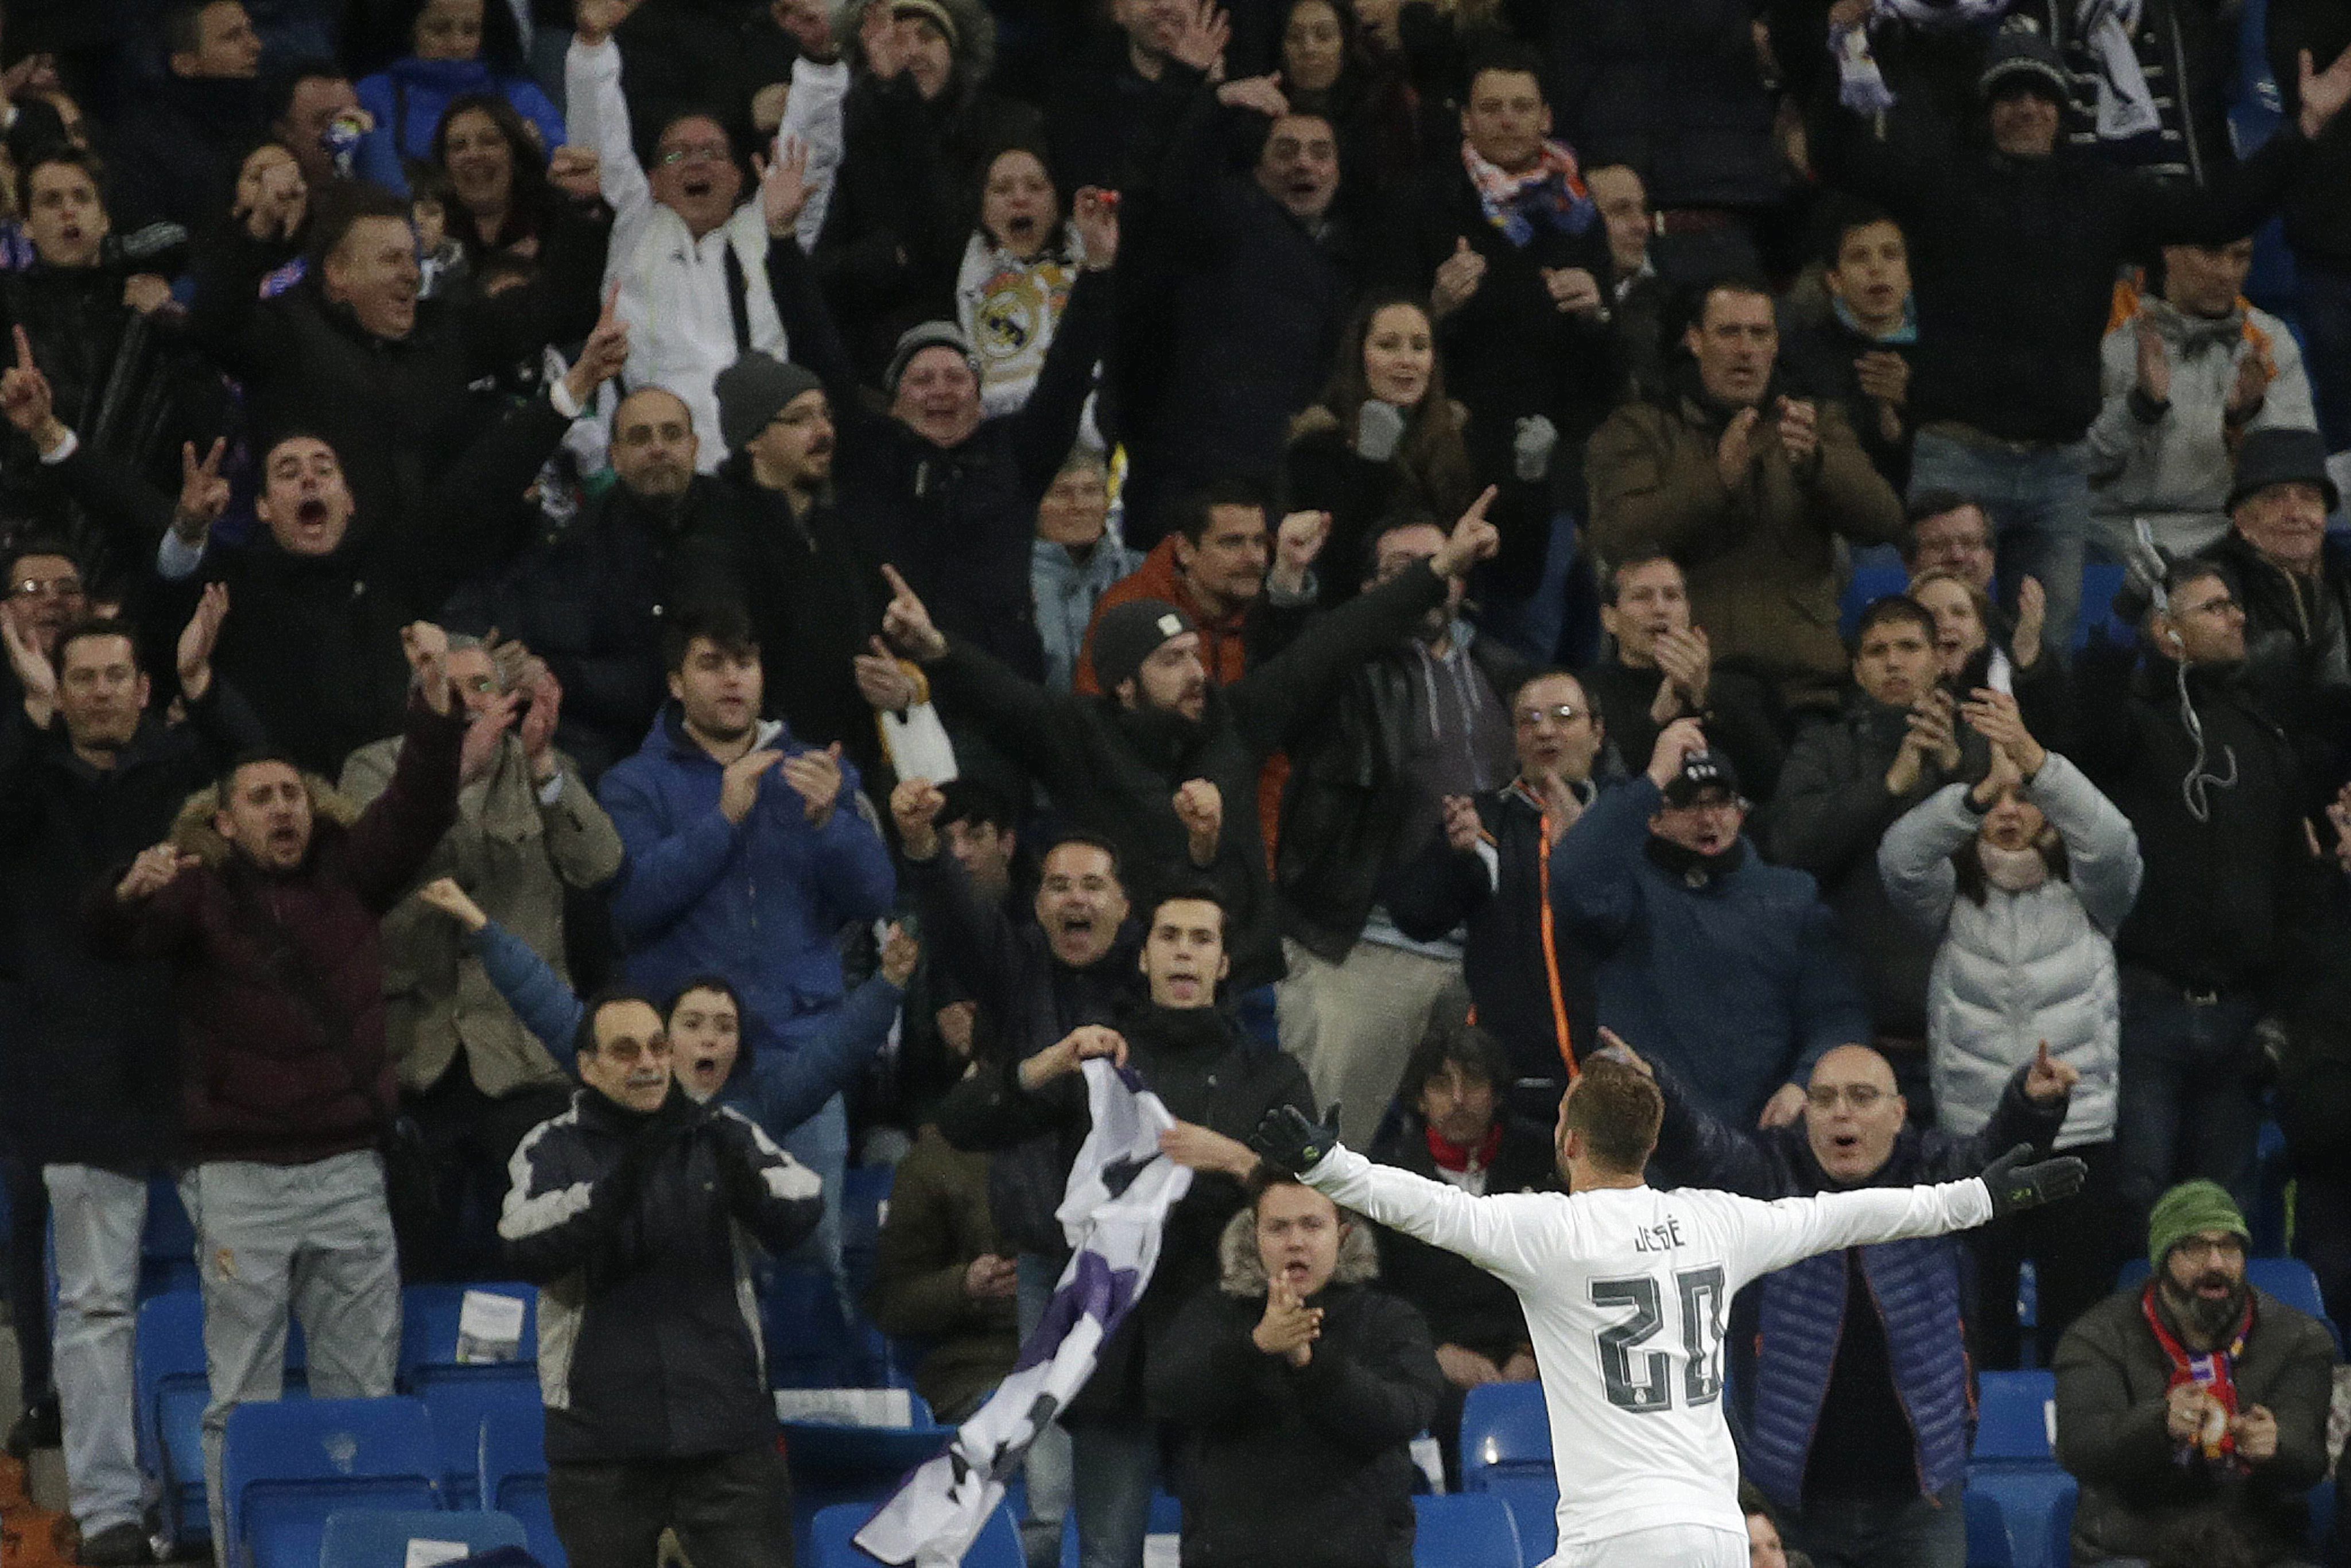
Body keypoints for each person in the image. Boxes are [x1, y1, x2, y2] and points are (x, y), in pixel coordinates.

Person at [1248, 1055, 2087, 1568]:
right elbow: (1854, 1214)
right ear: (1649, 1146)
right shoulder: (1717, 1222)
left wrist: (1332, 1167)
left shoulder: (1550, 1231)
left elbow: (1429, 1208)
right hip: (1716, 1536)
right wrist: (1975, 1196)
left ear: (1568, 1139)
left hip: (1617, 1540)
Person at [83, 624, 465, 1561]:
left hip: (346, 1172)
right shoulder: (195, 892)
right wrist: (124, 894)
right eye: (261, 797)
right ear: (224, 820)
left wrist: (432, 709)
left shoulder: (353, 874)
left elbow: (418, 805)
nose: (283, 809)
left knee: (361, 1398)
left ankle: (361, 1551)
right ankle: (243, 1553)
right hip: (241, 1183)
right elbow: (112, 940)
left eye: (293, 792)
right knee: (240, 1403)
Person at [1811, 15, 2351, 659]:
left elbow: (2219, 213)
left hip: (2057, 471)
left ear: (2063, 109)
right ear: (1987, 107)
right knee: (1940, 642)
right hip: (1958, 457)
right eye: (2010, 94)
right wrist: (1830, 47)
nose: (2026, 108)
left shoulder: (2102, 195)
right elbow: (1839, 157)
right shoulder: (1940, 182)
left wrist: (2305, 129)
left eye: (2041, 94)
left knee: (2049, 656)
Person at [885, 489, 1503, 997]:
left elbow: (1336, 640)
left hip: (1244, 983)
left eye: (1193, 654)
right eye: (1171, 661)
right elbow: (999, 696)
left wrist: (1441, 569)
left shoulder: (1236, 718)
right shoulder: (1077, 734)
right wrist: (932, 647)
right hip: (1132, 990)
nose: (1195, 673)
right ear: (1124, 683)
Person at [933, 886, 1316, 1568]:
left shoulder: (1272, 1073)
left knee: (1235, 1552)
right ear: (1143, 956)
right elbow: (962, 1122)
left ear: (1224, 963)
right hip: (1116, 1347)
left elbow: (1311, 1202)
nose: (1184, 952)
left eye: (1201, 939)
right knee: (1109, 1555)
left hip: (1228, 1339)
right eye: (1169, 936)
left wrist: (1231, 1158)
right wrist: (1051, 1061)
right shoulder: (1101, 1061)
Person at [0, 601, 259, 1566]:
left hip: (200, 1064)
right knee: (96, 1304)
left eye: (119, 675)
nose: (103, 691)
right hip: (70, 1072)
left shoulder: (179, 773)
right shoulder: (29, 781)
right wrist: (24, 722)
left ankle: (227, 1499)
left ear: (141, 687)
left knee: (240, 1290)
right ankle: (109, 1511)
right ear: (55, 692)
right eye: (82, 679)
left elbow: (267, 777)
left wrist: (205, 684)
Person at [1635, 1034, 2073, 1568]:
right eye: (1823, 1099)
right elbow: (1702, 1154)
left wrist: (2033, 1106)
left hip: (1920, 1502)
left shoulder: (1934, 1169)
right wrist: (1657, 1094)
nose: (1841, 1112)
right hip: (1787, 1501)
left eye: (1863, 1097)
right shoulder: (1770, 1175)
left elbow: (1991, 1163)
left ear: (1898, 1114)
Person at [597, 601, 897, 1291]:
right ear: (675, 682)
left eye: (745, 662)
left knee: (811, 1257)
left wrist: (831, 824)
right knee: (684, 1262)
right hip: (686, 1066)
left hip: (802, 1056)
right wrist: (725, 818)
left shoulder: (814, 771)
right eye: (711, 664)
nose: (733, 679)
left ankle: (810, 1399)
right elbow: (633, 906)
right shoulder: (632, 784)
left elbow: (876, 897)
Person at [500, 990, 825, 1568]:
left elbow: (801, 1205)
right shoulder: (552, 1144)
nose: (648, 1062)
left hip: (730, 1442)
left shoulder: (723, 1130)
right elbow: (523, 1243)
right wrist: (622, 1180)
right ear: (588, 1066)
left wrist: (735, 1168)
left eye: (656, 1045)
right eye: (625, 1051)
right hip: (602, 1452)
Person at [340, 636, 624, 1279]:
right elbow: (366, 875)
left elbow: (601, 865)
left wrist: (547, 762)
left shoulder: (537, 768)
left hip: (523, 1058)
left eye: (483, 686)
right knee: (411, 1268)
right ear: (420, 699)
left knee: (547, 1259)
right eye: (452, 687)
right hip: (418, 1055)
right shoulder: (373, 768)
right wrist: (446, 775)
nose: (470, 701)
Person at [1879, 690, 2141, 1364]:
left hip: (2079, 1136)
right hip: (1977, 1140)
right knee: (1980, 1317)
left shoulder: (2091, 893)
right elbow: (1899, 858)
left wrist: (2035, 761)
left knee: (2077, 1324)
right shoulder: (1949, 895)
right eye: (1996, 802)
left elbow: (2113, 841)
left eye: (2023, 798)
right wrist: (1971, 793)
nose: (2008, 811)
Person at [2070, 559, 2318, 1218]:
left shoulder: (2267, 742)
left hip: (2239, 1014)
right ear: (2168, 632)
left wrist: (2280, 1012)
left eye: (2234, 604)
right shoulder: (2133, 725)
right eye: (2213, 607)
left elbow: (2293, 887)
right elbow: (2084, 725)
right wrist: (2121, 618)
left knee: (2222, 1214)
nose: (2237, 617)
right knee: (2133, 1198)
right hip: (2146, 1003)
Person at [1273, 518, 1526, 1144]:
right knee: (1323, 1166)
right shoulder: (1342, 668)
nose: (1423, 578)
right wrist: (1288, 580)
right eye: (1400, 568)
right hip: (1360, 953)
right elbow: (1282, 671)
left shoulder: (1503, 670)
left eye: (1436, 562)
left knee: (1482, 1180)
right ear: (1368, 589)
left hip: (1484, 959)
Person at [187, 178, 608, 540]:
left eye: (411, 257)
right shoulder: (285, 336)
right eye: (391, 259)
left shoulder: (442, 332)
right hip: (313, 581)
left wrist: (582, 208)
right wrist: (256, 229)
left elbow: (557, 310)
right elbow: (215, 326)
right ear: (338, 272)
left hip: (424, 582)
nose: (411, 273)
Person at [1587, 277, 1907, 716]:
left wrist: (1817, 466)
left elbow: (1885, 521)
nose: (1745, 349)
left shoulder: (1815, 423)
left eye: (1759, 334)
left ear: (1776, 344)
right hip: (1694, 683)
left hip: (1809, 683)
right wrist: (1717, 480)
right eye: (1729, 332)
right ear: (1695, 340)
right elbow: (1618, 535)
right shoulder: (1640, 429)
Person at [1554, 720, 1869, 1130]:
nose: (1708, 818)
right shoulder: (1625, 896)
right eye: (1688, 803)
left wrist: (1803, 1083)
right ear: (1655, 819)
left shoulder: (1791, 897)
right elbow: (1568, 877)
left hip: (1757, 1144)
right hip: (1650, 1146)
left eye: (1720, 802)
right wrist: (1652, 780)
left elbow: (1838, 1015)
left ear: (1740, 812)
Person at [445, 385, 744, 781]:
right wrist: (527, 670)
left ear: (694, 446)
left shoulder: (743, 525)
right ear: (615, 458)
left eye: (671, 434)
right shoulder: (584, 542)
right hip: (633, 749)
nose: (658, 449)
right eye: (640, 437)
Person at [1147, 1171, 1444, 1568]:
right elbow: (1166, 1393)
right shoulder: (1214, 1313)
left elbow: (1403, 1414)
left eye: (1312, 1225)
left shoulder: (1388, 1319)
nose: (1295, 1242)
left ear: (1342, 1234)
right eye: (1278, 1228)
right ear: (1255, 1238)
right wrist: (1258, 1347)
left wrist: (1310, 1362)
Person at [1765, 596, 1985, 1112]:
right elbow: (1792, 850)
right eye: (1877, 650)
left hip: (1965, 1034)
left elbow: (2013, 859)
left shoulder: (1978, 747)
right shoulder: (1822, 748)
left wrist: (1955, 772)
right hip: (1849, 1030)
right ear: (1857, 670)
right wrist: (1886, 787)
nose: (1894, 661)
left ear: (1938, 659)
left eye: (1909, 647)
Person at [2054, 1181, 2336, 1566]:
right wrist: (2158, 1424)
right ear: (2163, 1259)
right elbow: (2081, 1449)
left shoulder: (2300, 1340)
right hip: (2135, 1548)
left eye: (2230, 1248)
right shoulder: (2097, 1338)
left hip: (2260, 1550)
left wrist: (2277, 1446)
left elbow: (2309, 1462)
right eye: (2196, 1248)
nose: (2216, 1264)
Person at [1380, 667, 1603, 1126]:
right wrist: (1452, 856)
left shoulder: (1626, 818)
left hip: (1613, 1075)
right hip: (1511, 1085)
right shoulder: (1480, 822)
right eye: (1529, 720)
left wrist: (1588, 853)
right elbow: (1416, 917)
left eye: (1563, 716)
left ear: (1597, 733)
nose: (1545, 730)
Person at [1365, 1018, 1551, 1488]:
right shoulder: (1388, 1178)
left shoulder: (1543, 1162)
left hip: (1539, 1357)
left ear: (1498, 1093)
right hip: (1432, 1361)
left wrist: (1532, 1351)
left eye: (1473, 1082)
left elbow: (1567, 1271)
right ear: (1420, 1099)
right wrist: (1434, 1353)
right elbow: (1374, 1293)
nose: (1460, 1098)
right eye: (1442, 1084)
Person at [1282, 293, 1522, 606]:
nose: (1407, 360)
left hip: (1446, 623)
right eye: (1388, 345)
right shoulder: (1316, 448)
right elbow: (1332, 569)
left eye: (1420, 347)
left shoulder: (1458, 441)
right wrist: (1371, 465)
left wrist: (1526, 491)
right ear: (1359, 357)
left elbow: (1518, 579)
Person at [2091, 239, 2319, 563]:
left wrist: (2244, 420)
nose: (2227, 273)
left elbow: (2293, 486)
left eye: (2240, 258)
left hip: (2224, 544)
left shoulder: (2268, 341)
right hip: (2101, 538)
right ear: (2170, 251)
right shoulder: (2101, 328)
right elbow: (2069, 471)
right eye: (2211, 254)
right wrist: (2139, 410)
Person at [2197, 426, 2351, 802]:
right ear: (2242, 520)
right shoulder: (2210, 584)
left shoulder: (2344, 576)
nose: (2296, 513)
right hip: (2248, 782)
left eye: (2309, 498)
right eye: (2275, 498)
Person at [1072, 480, 1321, 700]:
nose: (1254, 558)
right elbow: (1098, 718)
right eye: (1232, 543)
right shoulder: (1131, 608)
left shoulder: (1272, 609)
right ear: (1185, 550)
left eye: (1259, 542)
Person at [1582, 551, 1786, 802]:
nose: (1659, 609)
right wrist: (1656, 721)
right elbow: (1606, 788)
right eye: (1642, 597)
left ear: (1688, 611)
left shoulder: (1740, 682)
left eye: (1672, 596)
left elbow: (1770, 783)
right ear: (1609, 618)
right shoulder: (1588, 693)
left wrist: (1705, 698)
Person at [864, 1112, 1019, 1425]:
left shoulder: (1117, 1143)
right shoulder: (938, 1163)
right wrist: (965, 1286)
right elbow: (892, 1303)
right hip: (981, 1369)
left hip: (1102, 1375)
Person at [353, 0, 565, 194]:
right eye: (440, 30)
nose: (456, 43)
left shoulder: (521, 98)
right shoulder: (374, 94)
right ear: (410, 29)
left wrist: (539, 149)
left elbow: (566, 168)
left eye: (470, 31)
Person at [1779, 204, 1918, 491]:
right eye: (1859, 258)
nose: (1877, 269)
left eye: (1891, 255)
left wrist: (1911, 400)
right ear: (1835, 281)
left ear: (1909, 275)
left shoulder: (1942, 350)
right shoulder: (1803, 353)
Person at [103, 0, 266, 234]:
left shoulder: (269, 110)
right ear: (185, 64)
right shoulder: (146, 143)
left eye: (250, 31)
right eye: (232, 37)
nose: (255, 45)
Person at [1032, 452, 1136, 695]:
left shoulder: (1137, 571)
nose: (1078, 506)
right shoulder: (1009, 579)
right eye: (1061, 493)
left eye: (1091, 491)